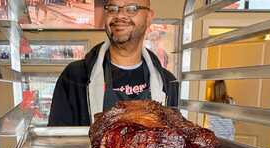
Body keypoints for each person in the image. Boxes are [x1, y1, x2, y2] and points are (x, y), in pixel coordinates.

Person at [48, 0, 179, 126]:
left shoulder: (168, 84)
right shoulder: (74, 77)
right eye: (112, 9)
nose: (120, 15)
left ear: (149, 17)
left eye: (131, 9)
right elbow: (58, 142)